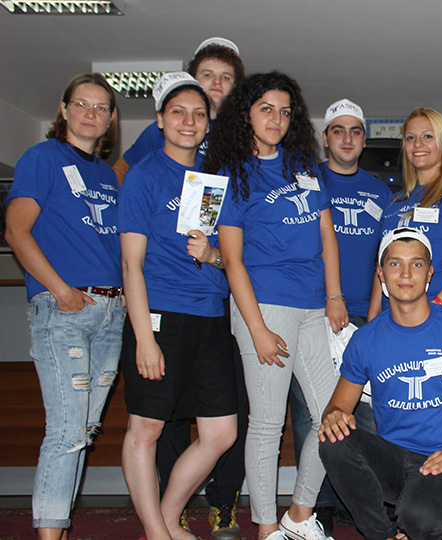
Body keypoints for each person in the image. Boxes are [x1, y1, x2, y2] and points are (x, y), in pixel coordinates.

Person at [206, 71, 347, 540]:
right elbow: (231, 260)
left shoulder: (304, 164)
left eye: (285, 112)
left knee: (332, 415)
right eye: (266, 109)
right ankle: (267, 528)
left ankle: (300, 515)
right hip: (264, 306)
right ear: (245, 114)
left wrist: (334, 296)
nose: (277, 119)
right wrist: (258, 329)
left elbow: (326, 233)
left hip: (313, 306)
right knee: (267, 424)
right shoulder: (231, 173)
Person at [319, 228, 442, 540]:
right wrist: (332, 415)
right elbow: (337, 407)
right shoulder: (366, 339)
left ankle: (426, 521)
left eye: (416, 264)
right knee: (333, 439)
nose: (406, 273)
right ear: (381, 274)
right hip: (394, 460)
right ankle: (383, 535)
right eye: (395, 264)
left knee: (420, 518)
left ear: (429, 274)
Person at [118, 73, 238, 540]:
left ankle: (168, 517)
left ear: (208, 123)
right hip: (160, 316)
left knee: (221, 433)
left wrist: (212, 255)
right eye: (178, 113)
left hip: (210, 317)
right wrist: (144, 339)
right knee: (145, 429)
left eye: (198, 114)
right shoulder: (143, 176)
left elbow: (227, 258)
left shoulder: (215, 177)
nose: (189, 122)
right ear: (160, 120)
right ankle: (156, 531)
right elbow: (131, 265)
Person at [5, 73, 124, 540]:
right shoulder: (43, 157)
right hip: (65, 311)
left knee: (84, 431)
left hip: (111, 314)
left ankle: (58, 527)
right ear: (64, 109)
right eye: (82, 104)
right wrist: (61, 291)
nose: (91, 113)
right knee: (66, 431)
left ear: (111, 119)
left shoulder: (106, 176)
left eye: (101, 107)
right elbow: (16, 230)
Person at [288, 98, 389, 528]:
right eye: (338, 130)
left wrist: (375, 316)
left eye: (355, 131)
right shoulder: (303, 182)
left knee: (365, 415)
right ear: (325, 138)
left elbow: (385, 260)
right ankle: (319, 505)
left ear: (364, 140)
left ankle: (365, 502)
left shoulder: (381, 192)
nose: (347, 138)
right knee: (309, 413)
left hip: (364, 318)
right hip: (313, 314)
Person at [370, 107, 442, 320]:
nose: (417, 144)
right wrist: (373, 321)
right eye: (410, 138)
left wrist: (437, 305)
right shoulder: (394, 203)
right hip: (394, 317)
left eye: (427, 136)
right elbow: (382, 267)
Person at [114, 37, 245, 183]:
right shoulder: (164, 129)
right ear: (194, 79)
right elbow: (119, 172)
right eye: (208, 75)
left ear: (234, 86)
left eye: (225, 77)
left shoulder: (243, 133)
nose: (217, 82)